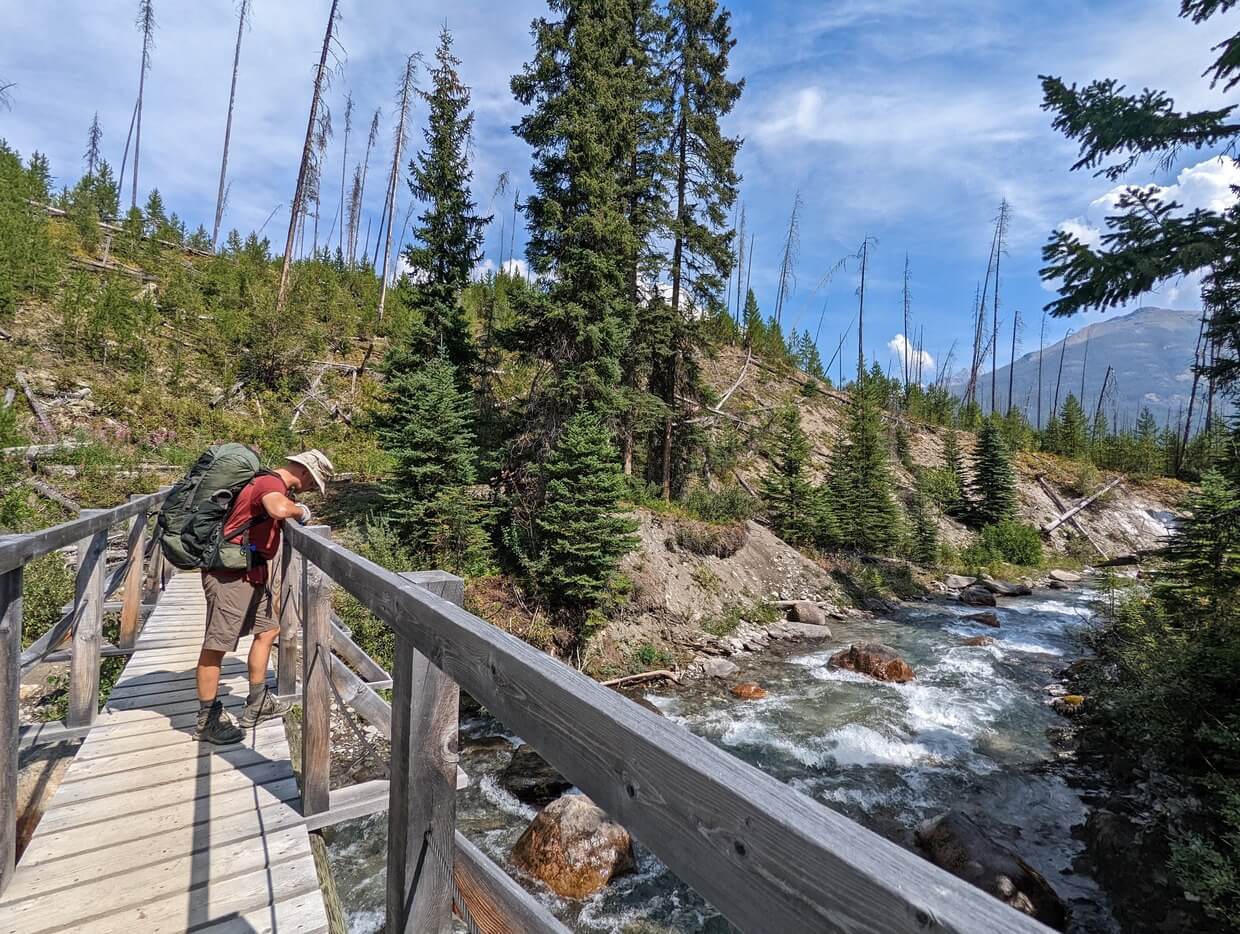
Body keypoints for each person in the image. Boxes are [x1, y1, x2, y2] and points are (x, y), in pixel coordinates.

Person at [195, 449, 335, 744]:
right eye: (314, 483)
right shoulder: (270, 485)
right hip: (229, 576)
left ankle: (257, 702)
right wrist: (301, 511)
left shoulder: (270, 484)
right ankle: (206, 720)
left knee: (269, 629)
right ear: (306, 472)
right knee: (217, 644)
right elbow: (279, 510)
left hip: (250, 568)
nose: (312, 489)